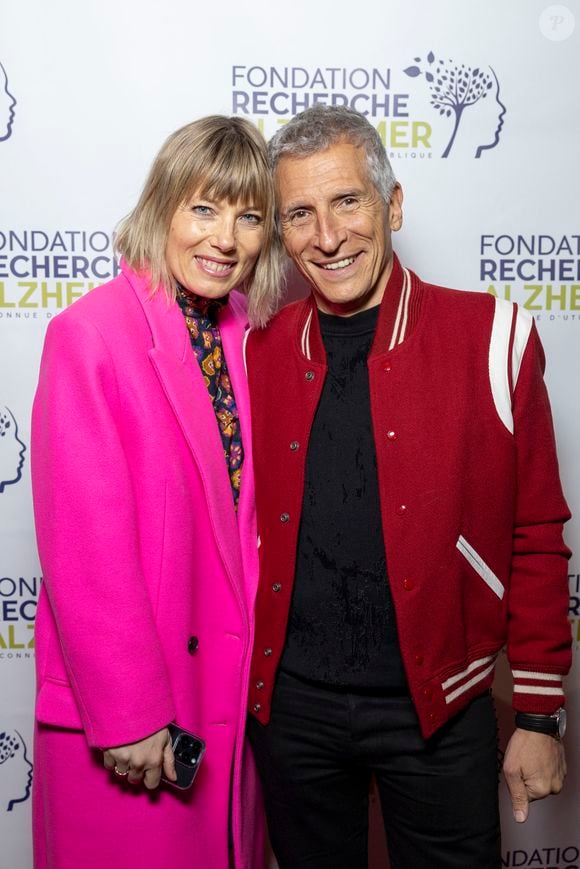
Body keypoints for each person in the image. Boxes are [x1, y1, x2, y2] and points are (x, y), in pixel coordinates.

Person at [245, 105, 571, 869]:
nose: (327, 237)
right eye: (300, 214)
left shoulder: (494, 335)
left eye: (348, 202)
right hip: (292, 712)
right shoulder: (256, 349)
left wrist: (539, 713)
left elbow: (537, 530)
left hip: (443, 704)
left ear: (393, 203)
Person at [31, 115, 283, 869]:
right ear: (161, 208)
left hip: (230, 714)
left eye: (248, 215)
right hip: (140, 723)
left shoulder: (252, 335)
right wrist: (132, 716)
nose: (225, 238)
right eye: (203, 208)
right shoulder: (93, 334)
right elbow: (86, 552)